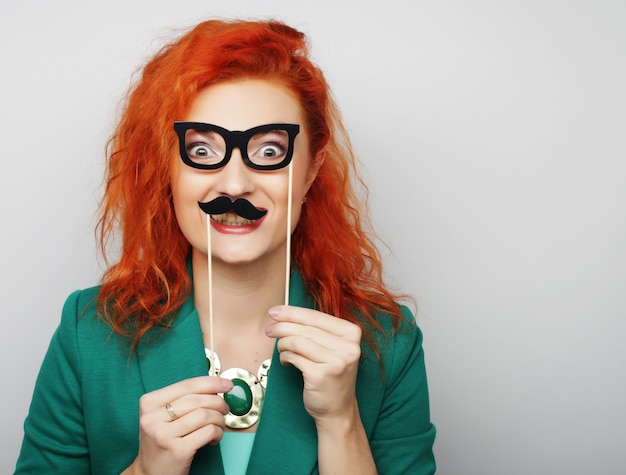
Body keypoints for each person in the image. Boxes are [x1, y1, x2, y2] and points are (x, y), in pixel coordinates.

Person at [15, 19, 436, 475]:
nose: (235, 184)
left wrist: (341, 422)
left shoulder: (387, 342)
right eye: (201, 151)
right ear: (167, 170)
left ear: (312, 169)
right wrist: (144, 471)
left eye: (271, 152)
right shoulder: (88, 333)